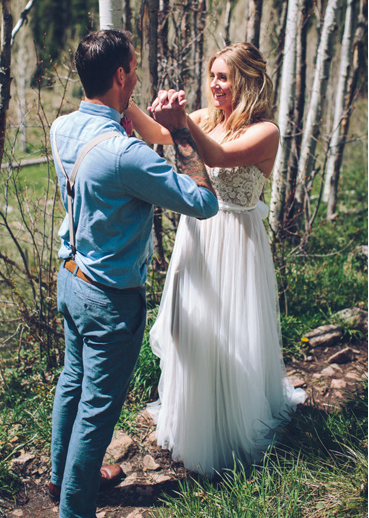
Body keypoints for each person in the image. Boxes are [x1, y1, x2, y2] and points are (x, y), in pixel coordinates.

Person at [47, 29, 219, 518]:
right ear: (121, 75)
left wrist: (139, 116)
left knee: (72, 381)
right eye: (134, 67)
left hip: (70, 277)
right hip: (109, 297)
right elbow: (203, 202)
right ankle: (75, 510)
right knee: (96, 413)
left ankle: (61, 481)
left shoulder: (62, 128)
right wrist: (180, 129)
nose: (138, 74)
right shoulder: (126, 154)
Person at [123, 43, 306, 477]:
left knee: (231, 331)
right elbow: (152, 133)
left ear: (247, 79)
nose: (214, 85)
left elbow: (218, 157)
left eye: (223, 77)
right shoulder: (205, 118)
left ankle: (232, 428)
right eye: (212, 76)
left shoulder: (266, 131)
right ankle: (194, 420)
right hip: (198, 236)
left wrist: (182, 122)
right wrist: (123, 91)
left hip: (237, 241)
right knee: (193, 330)